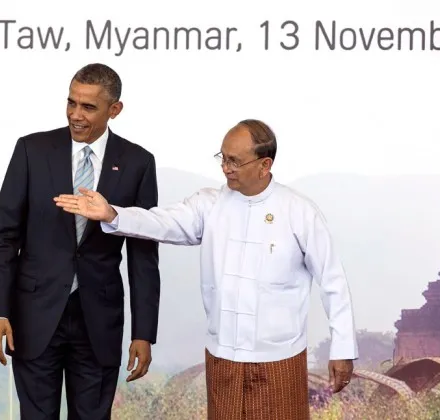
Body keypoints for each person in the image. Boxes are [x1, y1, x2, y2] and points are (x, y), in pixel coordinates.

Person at [55, 119, 358, 419]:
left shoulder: (299, 212)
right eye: (223, 158)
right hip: (223, 357)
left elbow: (333, 281)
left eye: (235, 161)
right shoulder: (210, 205)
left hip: (280, 358)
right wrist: (112, 213)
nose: (226, 168)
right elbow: (162, 222)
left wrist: (342, 348)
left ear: (264, 165)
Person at [0, 63, 161, 419]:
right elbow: (3, 237)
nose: (75, 115)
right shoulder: (32, 150)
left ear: (114, 110)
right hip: (34, 316)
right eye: (71, 103)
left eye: (88, 107)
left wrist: (143, 333)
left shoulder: (138, 163)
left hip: (99, 321)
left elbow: (143, 255)